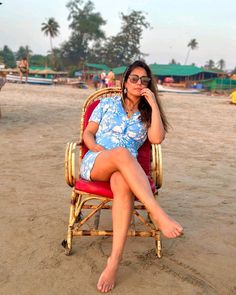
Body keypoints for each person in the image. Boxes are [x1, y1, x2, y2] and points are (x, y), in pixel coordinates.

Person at [80, 60, 183, 293]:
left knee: (123, 185)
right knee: (123, 153)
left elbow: (156, 139)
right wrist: (94, 147)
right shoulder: (105, 103)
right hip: (99, 162)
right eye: (134, 79)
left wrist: (154, 104)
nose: (139, 83)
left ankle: (113, 262)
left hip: (126, 170)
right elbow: (88, 132)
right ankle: (158, 214)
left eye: (144, 80)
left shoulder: (147, 113)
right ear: (125, 82)